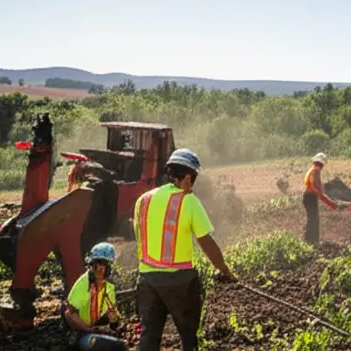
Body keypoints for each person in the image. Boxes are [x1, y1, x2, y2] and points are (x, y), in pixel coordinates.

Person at [133, 148, 237, 351]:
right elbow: (206, 242)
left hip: (146, 279)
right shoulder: (189, 202)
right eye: (194, 180)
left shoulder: (142, 200)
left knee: (148, 338)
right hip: (180, 281)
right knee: (189, 338)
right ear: (187, 178)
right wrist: (224, 270)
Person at [62, 242, 128, 351]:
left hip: (92, 328)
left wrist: (114, 318)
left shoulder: (109, 287)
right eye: (96, 264)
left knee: (118, 345)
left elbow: (112, 319)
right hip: (79, 332)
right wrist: (87, 329)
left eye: (103, 264)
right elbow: (69, 314)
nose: (99, 269)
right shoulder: (84, 283)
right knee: (111, 346)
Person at [302, 152, 338, 245]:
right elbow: (314, 185)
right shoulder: (315, 171)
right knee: (313, 218)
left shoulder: (313, 169)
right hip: (310, 196)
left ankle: (312, 240)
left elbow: (317, 186)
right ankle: (311, 240)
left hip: (310, 196)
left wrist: (322, 193)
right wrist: (321, 195)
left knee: (314, 218)